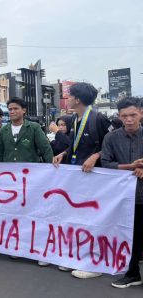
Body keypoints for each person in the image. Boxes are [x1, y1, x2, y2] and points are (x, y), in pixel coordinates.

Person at [53, 82, 111, 278]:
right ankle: (79, 257)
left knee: (94, 220)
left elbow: (111, 145)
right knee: (79, 219)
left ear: (77, 99)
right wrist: (64, 153)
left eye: (69, 96)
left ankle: (95, 264)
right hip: (79, 179)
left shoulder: (98, 118)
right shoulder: (75, 119)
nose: (67, 99)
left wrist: (96, 156)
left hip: (95, 180)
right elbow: (77, 147)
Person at [0, 97, 53, 266]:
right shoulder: (5, 130)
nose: (12, 112)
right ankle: (18, 245)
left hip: (32, 181)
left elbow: (46, 150)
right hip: (10, 182)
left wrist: (51, 173)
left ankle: (41, 250)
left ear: (23, 110)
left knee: (35, 214)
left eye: (15, 109)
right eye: (10, 109)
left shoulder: (33, 128)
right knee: (15, 214)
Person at [100, 97, 143, 289]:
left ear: (141, 113)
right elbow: (106, 164)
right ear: (119, 117)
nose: (129, 120)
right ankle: (133, 273)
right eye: (124, 116)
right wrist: (129, 167)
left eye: (133, 115)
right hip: (125, 199)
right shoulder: (111, 138)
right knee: (131, 236)